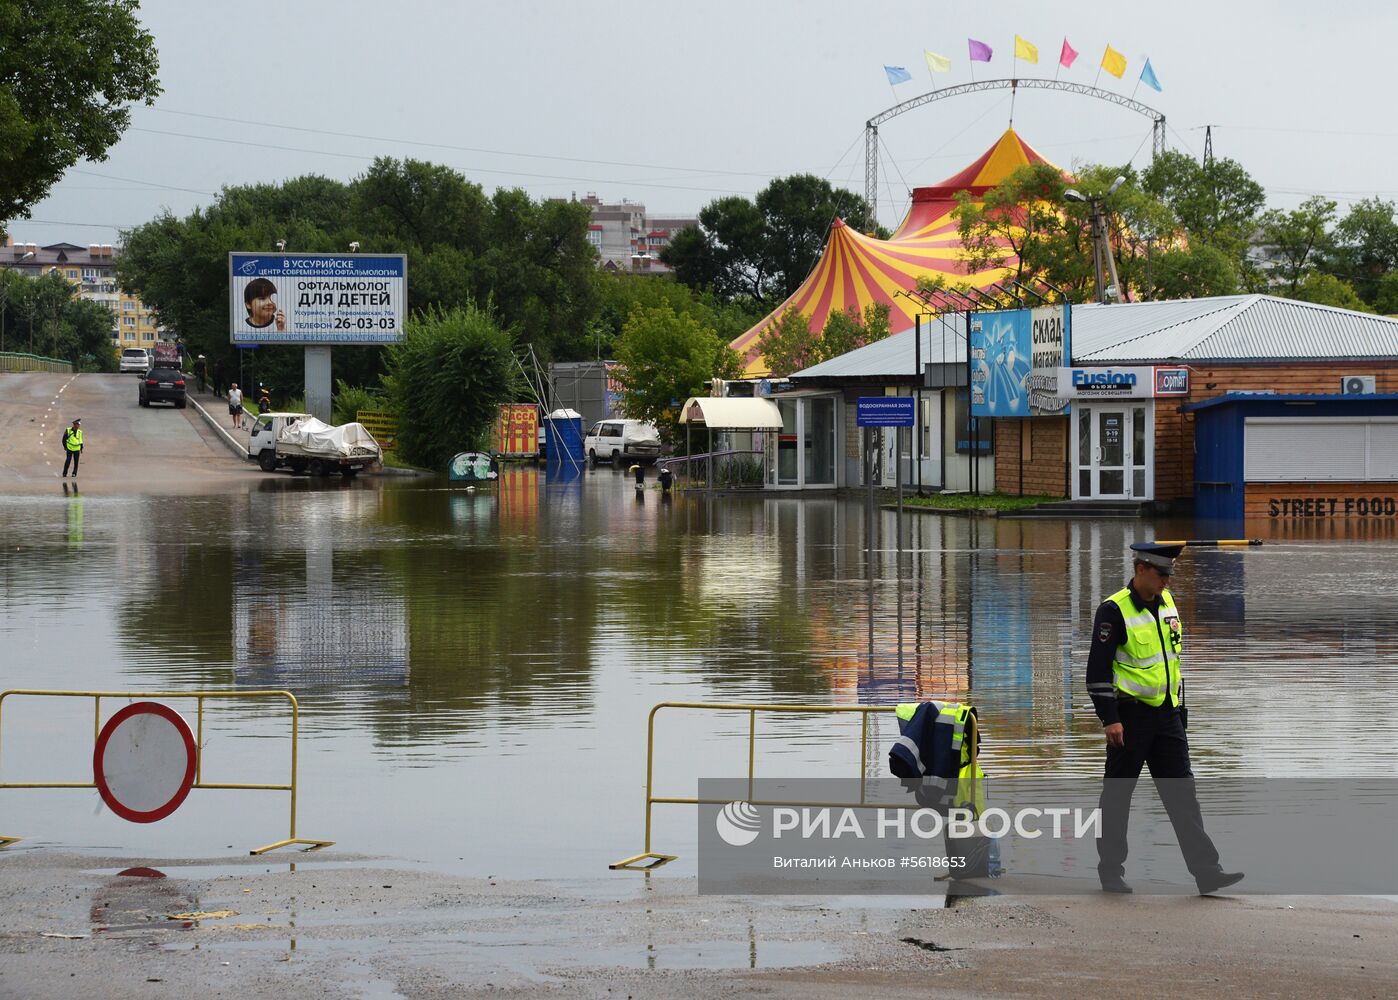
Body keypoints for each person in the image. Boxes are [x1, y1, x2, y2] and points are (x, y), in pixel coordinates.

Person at [1086, 542, 1244, 896]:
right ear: (1141, 568)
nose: (1166, 582)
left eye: (1170, 576)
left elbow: (1170, 659)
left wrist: (1176, 709)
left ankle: (1207, 872)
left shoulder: (1168, 603)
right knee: (1117, 796)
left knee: (1183, 795)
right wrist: (1109, 719)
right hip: (1129, 718)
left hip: (1167, 715)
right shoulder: (1114, 611)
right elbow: (1096, 671)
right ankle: (1111, 871)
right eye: (1161, 575)